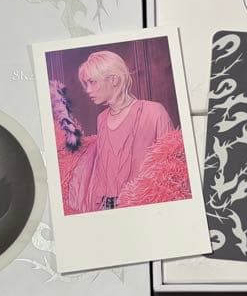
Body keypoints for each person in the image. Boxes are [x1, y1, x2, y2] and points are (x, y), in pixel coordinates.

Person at [66, 50, 175, 212]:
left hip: (144, 205)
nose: (88, 90)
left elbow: (173, 164)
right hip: (107, 206)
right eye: (86, 84)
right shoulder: (101, 119)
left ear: (114, 79)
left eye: (92, 82)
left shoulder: (153, 111)